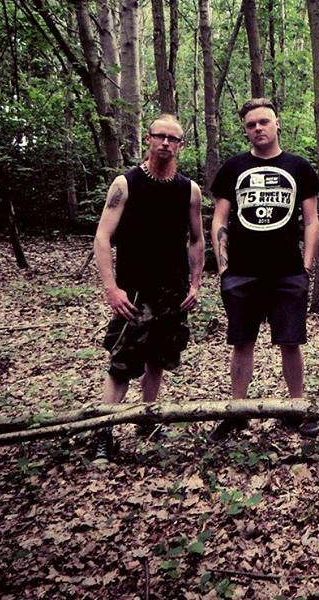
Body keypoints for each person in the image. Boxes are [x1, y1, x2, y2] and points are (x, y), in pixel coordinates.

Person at [92, 114, 205, 463]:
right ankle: (103, 433)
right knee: (122, 365)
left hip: (172, 291)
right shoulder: (125, 184)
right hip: (134, 291)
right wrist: (112, 289)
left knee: (158, 359)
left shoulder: (189, 190)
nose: (166, 143)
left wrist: (195, 284)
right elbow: (102, 237)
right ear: (149, 139)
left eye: (173, 139)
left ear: (181, 145)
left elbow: (197, 240)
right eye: (160, 136)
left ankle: (148, 421)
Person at [210, 98, 319, 440]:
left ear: (277, 124)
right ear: (246, 130)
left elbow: (312, 220)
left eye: (264, 122)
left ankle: (297, 409)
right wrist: (224, 267)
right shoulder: (233, 167)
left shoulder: (299, 167)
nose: (258, 128)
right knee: (242, 342)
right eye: (251, 124)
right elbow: (220, 218)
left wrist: (306, 267)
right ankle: (237, 411)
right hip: (242, 272)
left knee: (291, 342)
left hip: (288, 272)